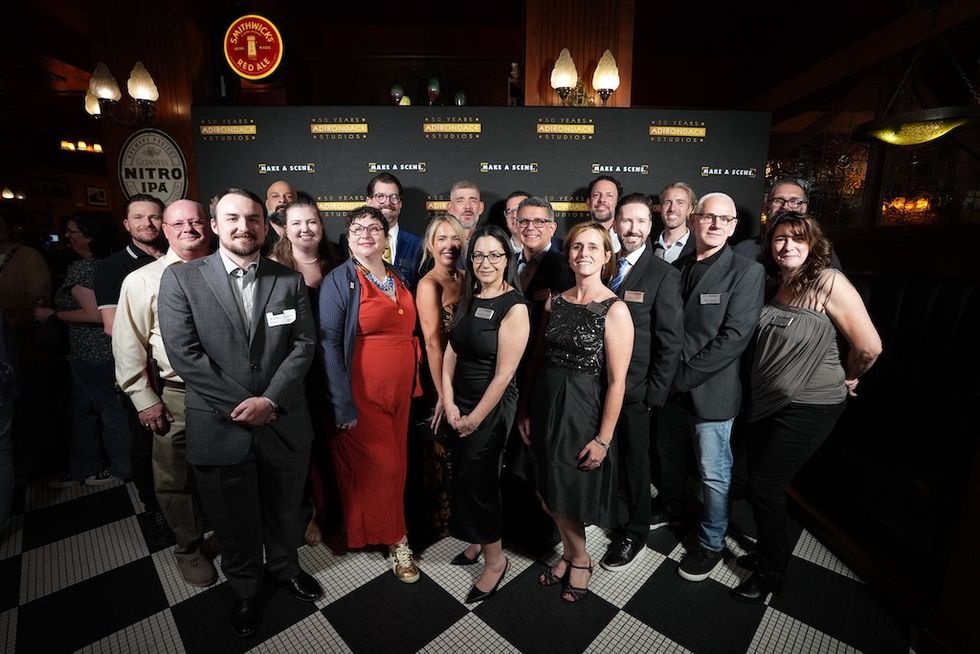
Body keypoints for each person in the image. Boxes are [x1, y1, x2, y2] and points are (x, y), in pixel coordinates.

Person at [158, 188, 323, 639]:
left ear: (264, 224)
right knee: (232, 519)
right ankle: (247, 589)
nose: (243, 227)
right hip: (219, 424)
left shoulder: (286, 280)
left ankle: (286, 568)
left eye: (252, 218)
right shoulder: (181, 280)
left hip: (283, 420)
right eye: (232, 218)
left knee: (286, 508)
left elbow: (304, 345)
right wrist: (241, 406)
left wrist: (270, 401)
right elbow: (185, 354)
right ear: (215, 225)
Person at [731, 212, 880, 603]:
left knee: (765, 484)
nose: (788, 246)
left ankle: (771, 571)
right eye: (780, 239)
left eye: (797, 239)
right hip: (770, 401)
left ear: (813, 245)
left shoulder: (829, 281)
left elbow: (869, 346)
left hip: (812, 404)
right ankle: (767, 552)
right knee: (752, 481)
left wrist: (850, 376)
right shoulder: (780, 283)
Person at [651, 192, 765, 583]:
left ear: (734, 226)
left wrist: (682, 377)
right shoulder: (677, 267)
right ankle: (671, 508)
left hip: (709, 390)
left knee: (713, 472)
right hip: (668, 388)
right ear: (694, 220)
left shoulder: (746, 272)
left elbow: (734, 337)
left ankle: (713, 542)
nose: (715, 224)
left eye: (724, 218)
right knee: (669, 458)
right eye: (708, 216)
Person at [519, 221, 633, 603]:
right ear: (568, 254)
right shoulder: (556, 300)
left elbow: (617, 383)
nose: (583, 253)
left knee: (565, 490)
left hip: (582, 409)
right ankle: (571, 554)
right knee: (546, 491)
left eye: (592, 247)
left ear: (605, 256)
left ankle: (580, 558)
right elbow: (537, 358)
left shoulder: (615, 310)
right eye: (576, 247)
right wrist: (526, 408)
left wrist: (603, 439)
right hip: (546, 401)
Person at [112, 199, 216, 588]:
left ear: (209, 225)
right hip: (177, 394)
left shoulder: (230, 269)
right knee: (174, 476)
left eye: (196, 221)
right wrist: (144, 398)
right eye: (179, 223)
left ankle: (227, 535)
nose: (188, 228)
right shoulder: (141, 280)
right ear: (166, 230)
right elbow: (127, 345)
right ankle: (188, 549)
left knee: (230, 471)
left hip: (230, 394)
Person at [319, 205, 422, 583]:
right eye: (357, 228)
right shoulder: (339, 280)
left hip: (401, 393)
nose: (366, 234)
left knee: (398, 467)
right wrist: (341, 401)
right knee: (386, 466)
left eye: (374, 228)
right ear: (348, 237)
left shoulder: (397, 276)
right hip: (362, 393)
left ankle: (378, 529)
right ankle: (398, 542)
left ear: (385, 236)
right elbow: (329, 343)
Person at [442, 225, 529, 603]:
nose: (486, 262)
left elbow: (505, 374)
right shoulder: (470, 294)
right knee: (463, 477)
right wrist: (447, 400)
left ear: (507, 259)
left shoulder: (515, 306)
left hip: (490, 406)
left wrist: (475, 416)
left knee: (479, 480)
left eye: (495, 255)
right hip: (460, 400)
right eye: (479, 255)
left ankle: (495, 562)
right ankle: (477, 541)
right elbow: (452, 351)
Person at [600, 193, 684, 572]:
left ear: (650, 228)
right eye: (626, 221)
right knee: (607, 457)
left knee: (636, 463)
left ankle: (634, 532)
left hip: (636, 392)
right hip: (598, 386)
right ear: (616, 224)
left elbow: (670, 341)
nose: (632, 229)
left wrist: (653, 393)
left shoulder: (663, 274)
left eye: (640, 222)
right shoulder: (604, 266)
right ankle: (607, 515)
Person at [93, 193, 171, 547]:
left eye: (154, 217)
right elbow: (113, 327)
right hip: (142, 371)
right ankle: (154, 510)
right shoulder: (114, 267)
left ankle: (184, 508)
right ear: (127, 224)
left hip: (178, 376)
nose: (148, 224)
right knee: (144, 445)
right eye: (139, 218)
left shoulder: (183, 258)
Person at [37, 213, 130, 487]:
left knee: (106, 412)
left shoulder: (85, 269)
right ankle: (87, 467)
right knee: (88, 412)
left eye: (72, 231)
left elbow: (94, 315)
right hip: (102, 351)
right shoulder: (114, 263)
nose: (67, 236)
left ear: (89, 236)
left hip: (93, 353)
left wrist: (53, 313)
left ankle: (117, 467)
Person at [270, 198, 340, 547]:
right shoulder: (273, 267)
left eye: (311, 222)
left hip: (332, 368)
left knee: (331, 443)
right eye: (296, 223)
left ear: (321, 225)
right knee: (301, 446)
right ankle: (303, 509)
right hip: (295, 372)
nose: (305, 229)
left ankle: (325, 511)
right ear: (285, 228)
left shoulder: (338, 261)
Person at [414, 215, 465, 537]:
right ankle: (443, 524)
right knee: (442, 452)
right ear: (430, 245)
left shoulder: (466, 275)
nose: (449, 245)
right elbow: (432, 343)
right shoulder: (428, 284)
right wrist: (443, 396)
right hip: (441, 380)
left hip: (470, 376)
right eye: (442, 239)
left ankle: (467, 517)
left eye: (455, 238)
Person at [733, 177, 842, 269]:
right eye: (778, 200)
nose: (785, 206)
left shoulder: (821, 250)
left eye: (794, 201)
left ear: (804, 208)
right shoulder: (744, 250)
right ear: (766, 207)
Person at [366, 172, 423, 289]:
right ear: (369, 202)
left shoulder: (418, 244)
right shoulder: (351, 243)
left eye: (394, 197)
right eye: (380, 196)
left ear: (400, 204)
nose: (387, 203)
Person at [653, 182, 696, 264]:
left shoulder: (698, 248)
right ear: (661, 208)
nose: (672, 208)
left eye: (680, 202)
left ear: (690, 209)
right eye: (667, 202)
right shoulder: (647, 245)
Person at [586, 175, 622, 252]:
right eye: (596, 195)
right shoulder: (576, 238)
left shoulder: (627, 239)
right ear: (588, 202)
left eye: (609, 195)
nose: (602, 199)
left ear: (618, 203)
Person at [262, 179, 296, 255]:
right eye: (275, 196)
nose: (282, 200)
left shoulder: (306, 236)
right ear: (267, 204)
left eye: (289, 196)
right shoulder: (259, 238)